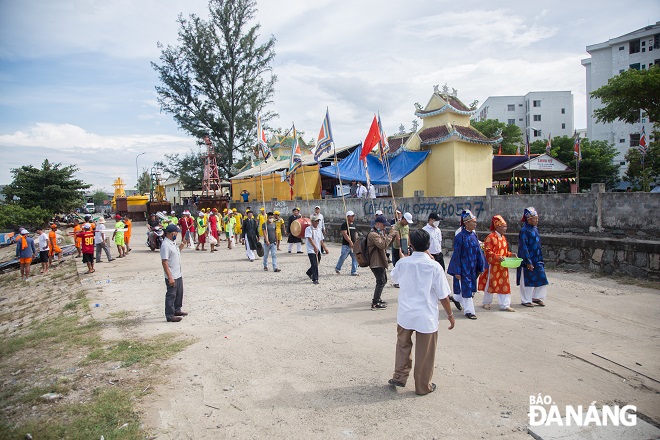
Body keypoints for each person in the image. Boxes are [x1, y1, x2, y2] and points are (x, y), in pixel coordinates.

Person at [389, 229, 455, 395]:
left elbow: (395, 278)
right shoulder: (434, 266)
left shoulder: (403, 263)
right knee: (425, 352)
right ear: (429, 245)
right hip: (426, 316)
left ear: (410, 244)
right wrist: (450, 315)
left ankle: (399, 376)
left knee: (403, 345)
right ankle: (422, 386)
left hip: (405, 314)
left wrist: (404, 259)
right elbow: (443, 296)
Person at [447, 210, 485, 320]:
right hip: (463, 268)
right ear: (467, 223)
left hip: (472, 268)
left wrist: (480, 266)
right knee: (467, 289)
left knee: (471, 289)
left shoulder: (474, 235)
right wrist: (457, 271)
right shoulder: (460, 237)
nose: (476, 224)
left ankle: (455, 298)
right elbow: (456, 255)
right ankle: (469, 311)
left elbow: (478, 251)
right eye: (474, 222)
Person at [479, 215, 517, 312]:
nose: (505, 229)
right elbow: (487, 252)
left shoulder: (503, 238)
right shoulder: (490, 238)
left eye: (505, 226)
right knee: (490, 283)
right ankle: (486, 302)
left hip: (503, 265)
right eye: (503, 226)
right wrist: (497, 257)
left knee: (504, 284)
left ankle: (505, 304)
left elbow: (505, 252)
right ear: (497, 227)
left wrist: (510, 254)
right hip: (493, 265)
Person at [517, 207, 549, 307]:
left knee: (542, 278)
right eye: (535, 218)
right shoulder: (524, 231)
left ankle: (536, 297)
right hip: (528, 259)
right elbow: (523, 247)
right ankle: (525, 300)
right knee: (526, 280)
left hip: (538, 259)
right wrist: (528, 261)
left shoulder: (535, 229)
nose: (537, 220)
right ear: (529, 219)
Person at [367, 215, 398, 309]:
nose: (384, 227)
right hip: (375, 262)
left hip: (380, 260)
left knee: (383, 280)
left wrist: (392, 237)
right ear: (378, 224)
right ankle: (375, 302)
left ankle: (378, 299)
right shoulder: (373, 234)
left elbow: (386, 244)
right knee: (380, 281)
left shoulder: (378, 233)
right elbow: (382, 245)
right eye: (383, 225)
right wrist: (391, 235)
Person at [160, 224, 187, 322]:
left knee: (179, 293)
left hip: (178, 273)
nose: (177, 234)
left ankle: (177, 309)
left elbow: (177, 252)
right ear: (171, 233)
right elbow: (164, 262)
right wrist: (170, 277)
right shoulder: (165, 245)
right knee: (171, 295)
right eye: (176, 232)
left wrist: (183, 244)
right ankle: (170, 315)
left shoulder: (172, 243)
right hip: (172, 275)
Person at [304, 216, 328, 285]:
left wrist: (325, 248)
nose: (317, 222)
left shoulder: (319, 229)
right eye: (316, 221)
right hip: (311, 250)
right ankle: (315, 278)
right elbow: (310, 239)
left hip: (318, 249)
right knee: (314, 264)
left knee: (317, 263)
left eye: (318, 221)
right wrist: (314, 247)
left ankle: (309, 272)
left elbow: (321, 240)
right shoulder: (308, 229)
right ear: (312, 221)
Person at [335, 210, 359, 276]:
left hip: (353, 245)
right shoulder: (345, 224)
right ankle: (338, 268)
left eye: (353, 216)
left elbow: (355, 233)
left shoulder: (354, 225)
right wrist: (350, 242)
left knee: (355, 257)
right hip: (346, 245)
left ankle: (354, 271)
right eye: (352, 216)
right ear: (348, 217)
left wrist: (356, 241)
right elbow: (345, 234)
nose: (353, 217)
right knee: (343, 257)